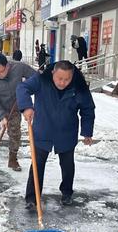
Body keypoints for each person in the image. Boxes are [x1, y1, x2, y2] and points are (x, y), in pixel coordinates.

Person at [16, 60, 95, 208]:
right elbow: (23, 88)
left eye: (67, 79)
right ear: (53, 73)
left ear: (72, 76)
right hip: (43, 129)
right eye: (59, 78)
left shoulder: (79, 87)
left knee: (67, 165)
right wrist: (26, 106)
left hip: (67, 132)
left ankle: (67, 193)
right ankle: (32, 198)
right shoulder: (41, 80)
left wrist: (87, 132)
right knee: (37, 165)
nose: (63, 82)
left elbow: (88, 109)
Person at [0, 53, 37, 171]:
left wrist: (26, 88)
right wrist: (2, 117)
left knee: (15, 134)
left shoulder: (19, 67)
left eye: (1, 71)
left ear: (8, 66)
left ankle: (13, 159)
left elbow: (36, 78)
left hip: (14, 107)